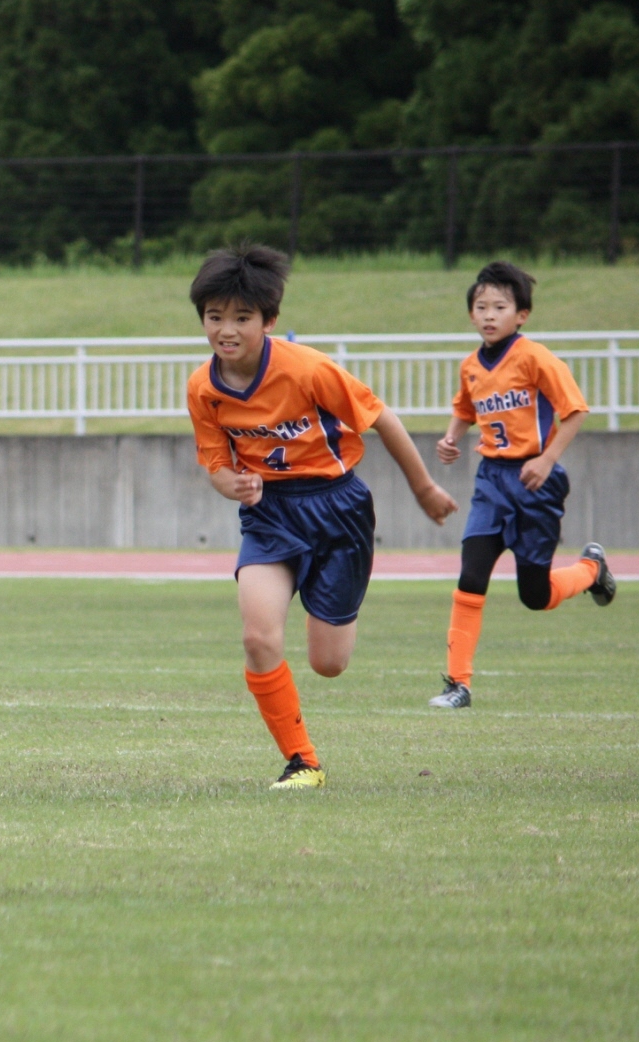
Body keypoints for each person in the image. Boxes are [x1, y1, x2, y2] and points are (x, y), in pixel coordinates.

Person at [187, 245, 458, 789]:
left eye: (242, 318)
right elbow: (214, 463)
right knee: (259, 638)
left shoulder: (308, 369)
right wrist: (229, 484)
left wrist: (424, 486)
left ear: (270, 321)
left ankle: (337, 603)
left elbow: (382, 418)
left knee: (328, 664)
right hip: (269, 515)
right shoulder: (203, 388)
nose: (226, 329)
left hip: (337, 509)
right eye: (215, 317)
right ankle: (303, 763)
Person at [430, 261, 616, 709]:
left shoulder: (535, 357)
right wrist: (452, 437)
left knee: (535, 596)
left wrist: (547, 458)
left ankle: (592, 570)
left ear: (522, 315)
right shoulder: (471, 366)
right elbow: (466, 407)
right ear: (471, 315)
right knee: (471, 575)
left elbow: (575, 410)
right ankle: (458, 684)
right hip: (491, 481)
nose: (489, 314)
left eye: (500, 306)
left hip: (536, 484)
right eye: (481, 306)